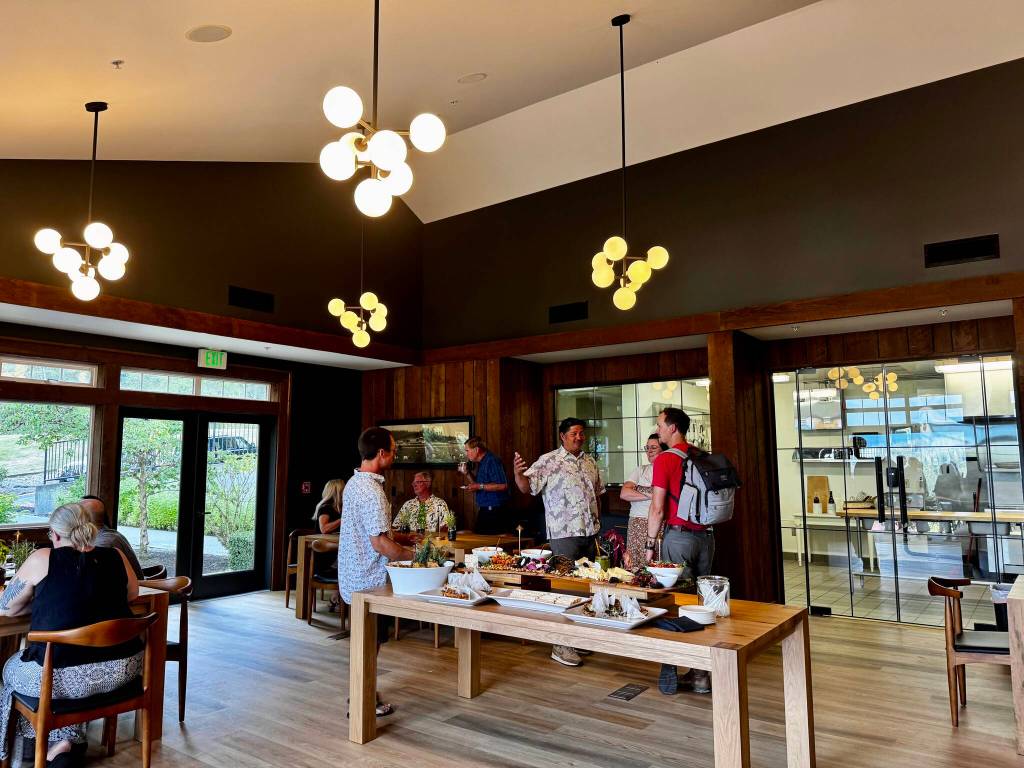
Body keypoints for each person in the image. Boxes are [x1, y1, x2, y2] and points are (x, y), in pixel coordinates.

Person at [0, 503, 142, 767]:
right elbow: (132, 594)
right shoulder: (116, 556)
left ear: (54, 534)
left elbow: (5, 608)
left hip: (66, 680)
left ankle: (20, 755)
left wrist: (41, 599)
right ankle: (63, 743)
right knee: (67, 667)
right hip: (124, 670)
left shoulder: (43, 558)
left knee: (12, 669)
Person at [513, 417, 604, 667]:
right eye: (574, 433)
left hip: (589, 532)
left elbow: (597, 494)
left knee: (586, 587)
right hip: (564, 534)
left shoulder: (590, 461)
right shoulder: (549, 460)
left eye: (581, 433)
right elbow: (526, 487)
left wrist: (598, 524)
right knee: (565, 588)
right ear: (562, 436)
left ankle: (577, 638)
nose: (579, 437)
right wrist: (518, 473)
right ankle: (561, 644)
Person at [338, 427, 413, 718]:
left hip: (352, 576)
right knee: (370, 644)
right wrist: (417, 557)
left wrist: (402, 540)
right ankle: (362, 699)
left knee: (368, 642)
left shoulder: (354, 484)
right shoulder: (372, 491)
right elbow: (380, 543)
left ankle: (363, 692)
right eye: (393, 450)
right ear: (381, 453)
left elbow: (375, 531)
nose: (395, 455)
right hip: (368, 580)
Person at [648, 406, 713, 696]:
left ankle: (674, 666)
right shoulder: (700, 454)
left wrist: (650, 544)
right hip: (707, 538)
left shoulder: (665, 460)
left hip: (679, 539)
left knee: (677, 604)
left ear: (673, 427)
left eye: (661, 424)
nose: (658, 429)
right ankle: (701, 674)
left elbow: (657, 507)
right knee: (701, 605)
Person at [619, 434, 666, 569]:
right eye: (647, 448)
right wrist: (654, 494)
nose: (649, 451)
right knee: (634, 565)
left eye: (654, 447)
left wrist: (639, 489)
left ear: (663, 449)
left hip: (659, 524)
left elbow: (667, 498)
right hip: (636, 524)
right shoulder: (641, 470)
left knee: (657, 565)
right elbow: (624, 493)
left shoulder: (666, 469)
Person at [79, 494, 145, 580]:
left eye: (74, 515)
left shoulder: (104, 542)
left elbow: (88, 576)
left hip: (133, 592)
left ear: (83, 519)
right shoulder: (109, 535)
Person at [458, 436, 509, 534]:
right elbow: (477, 484)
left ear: (477, 449)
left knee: (486, 543)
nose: (466, 454)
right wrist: (467, 473)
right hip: (486, 508)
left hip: (494, 510)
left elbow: (503, 485)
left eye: (467, 450)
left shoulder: (491, 461)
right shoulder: (481, 462)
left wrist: (478, 486)